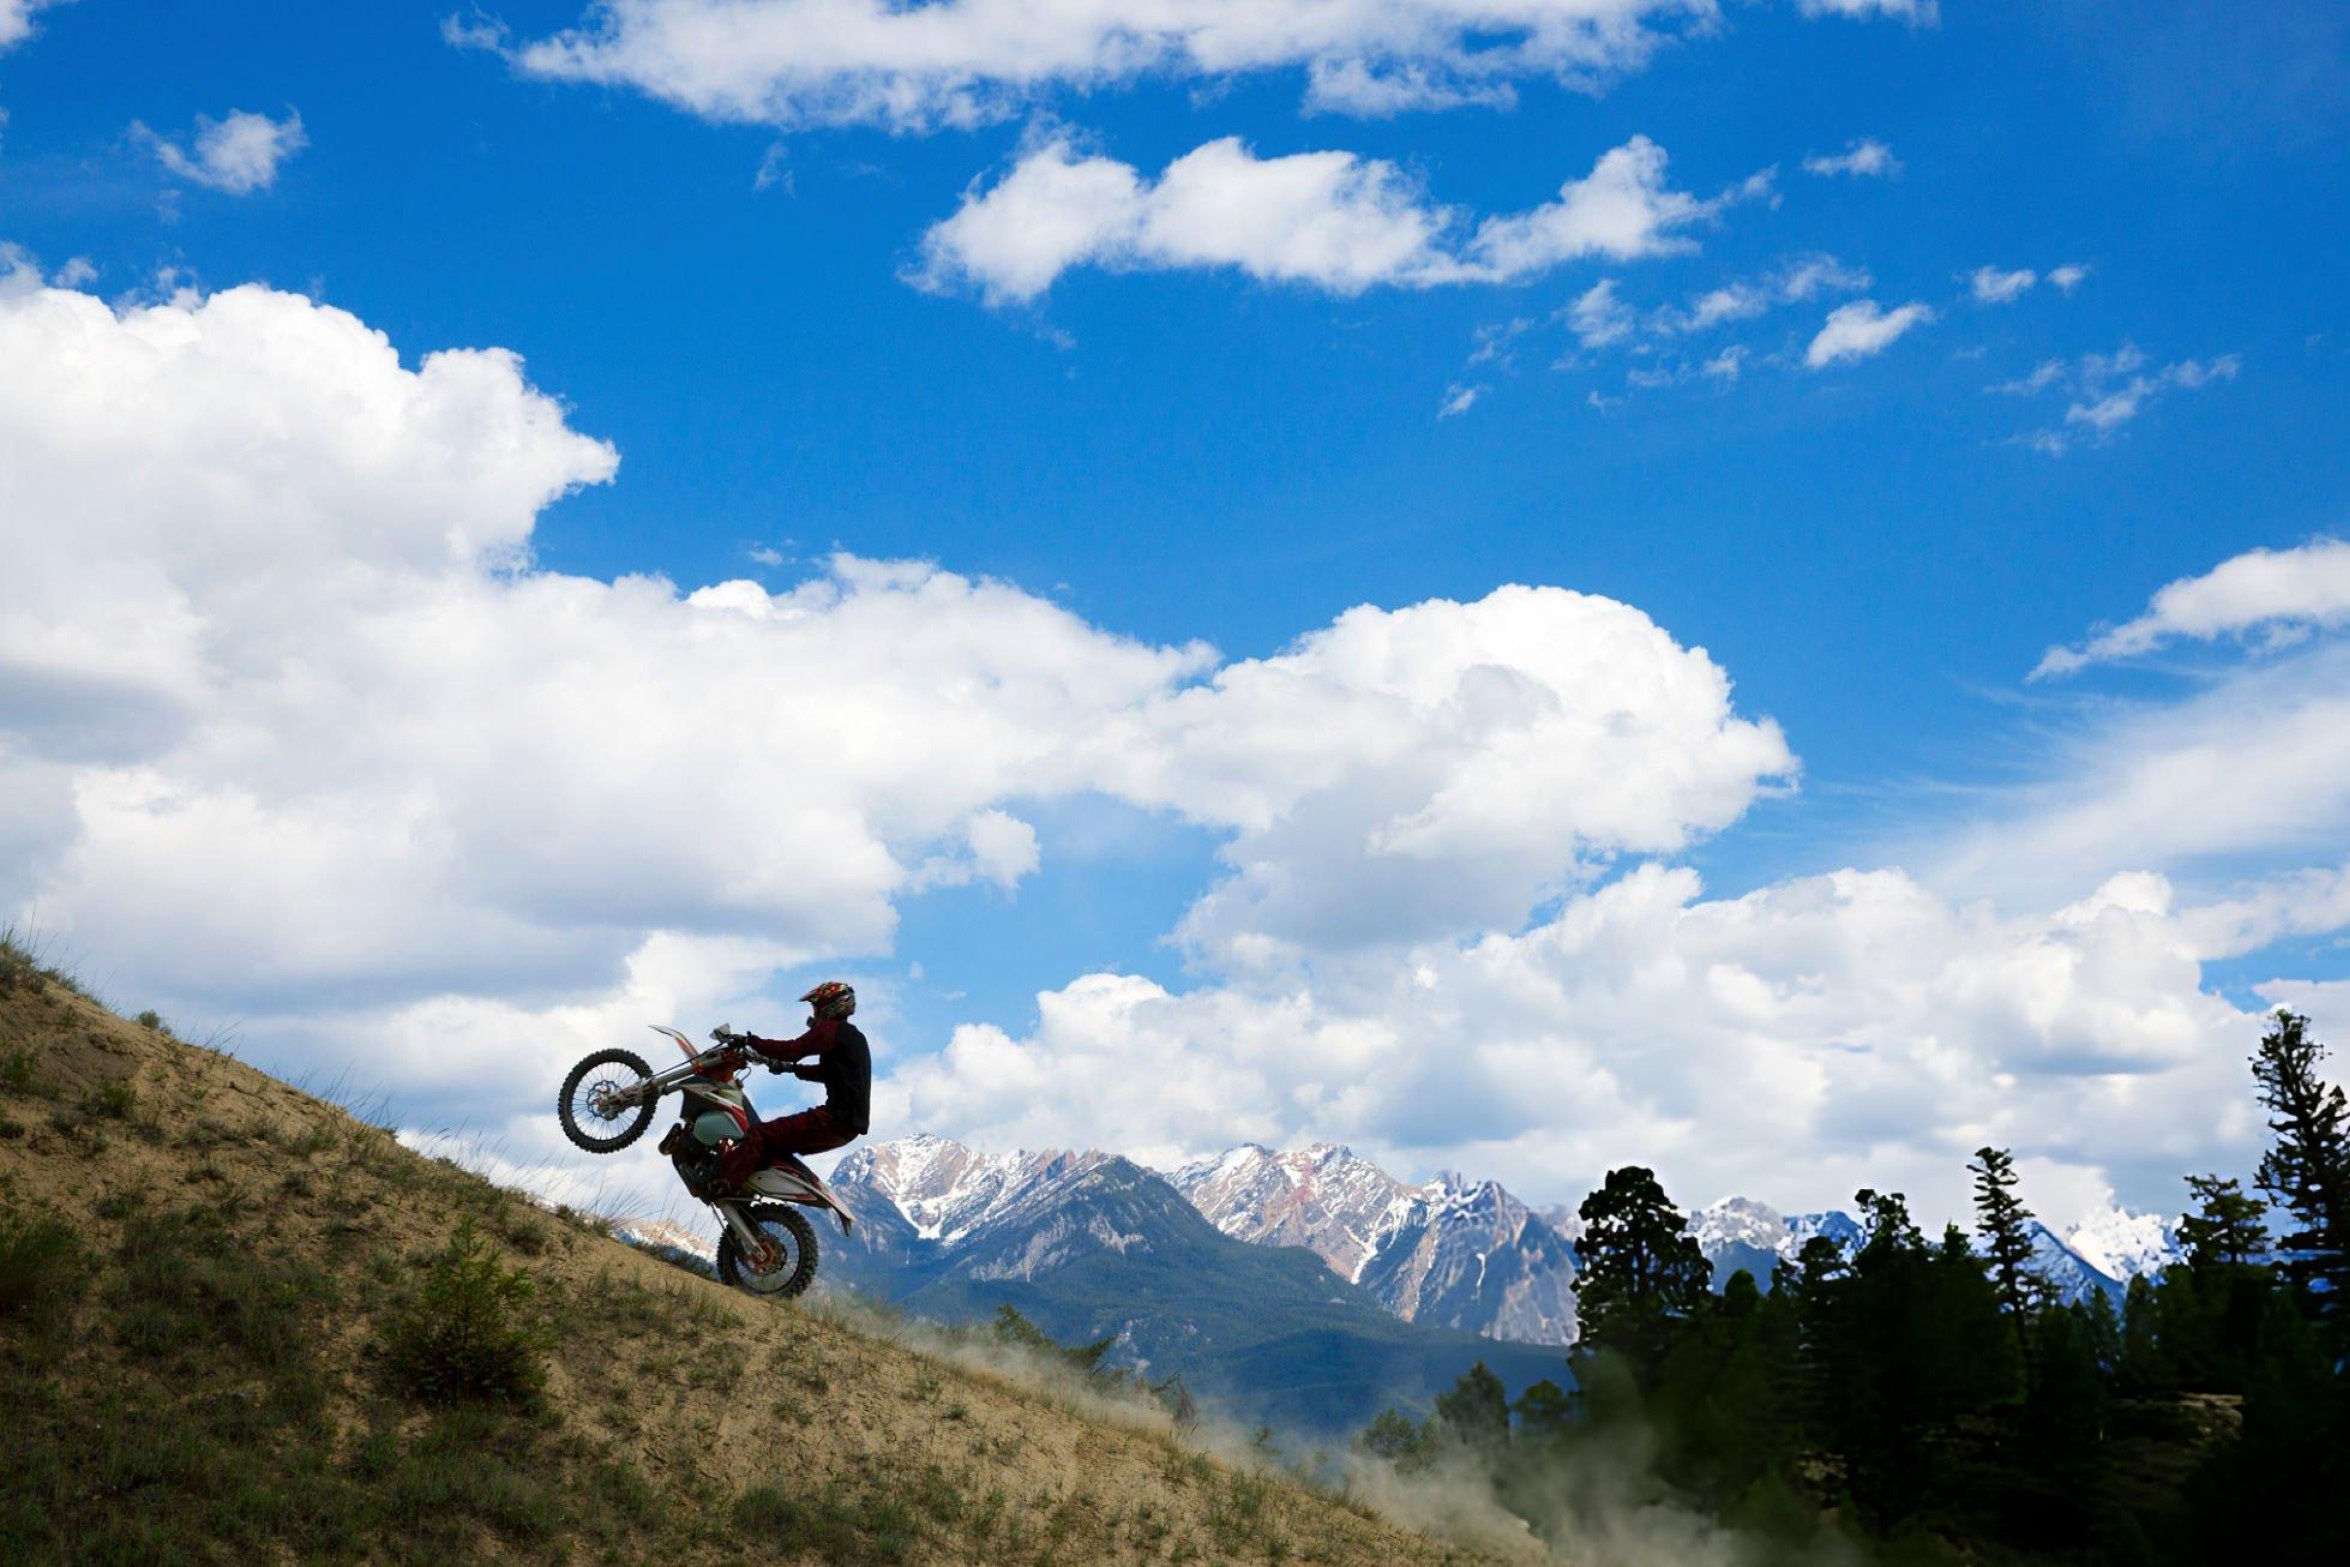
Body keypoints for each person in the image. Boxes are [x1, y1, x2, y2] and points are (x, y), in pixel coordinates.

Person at [708, 980, 871, 1194]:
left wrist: (750, 1041)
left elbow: (792, 1049)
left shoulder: (830, 1030)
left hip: (832, 1121)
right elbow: (828, 1074)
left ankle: (725, 1186)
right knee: (773, 1143)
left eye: (816, 1006)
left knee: (760, 1134)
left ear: (830, 1006)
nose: (815, 1012)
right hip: (846, 1129)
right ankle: (748, 1192)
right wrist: (792, 1069)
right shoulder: (853, 1037)